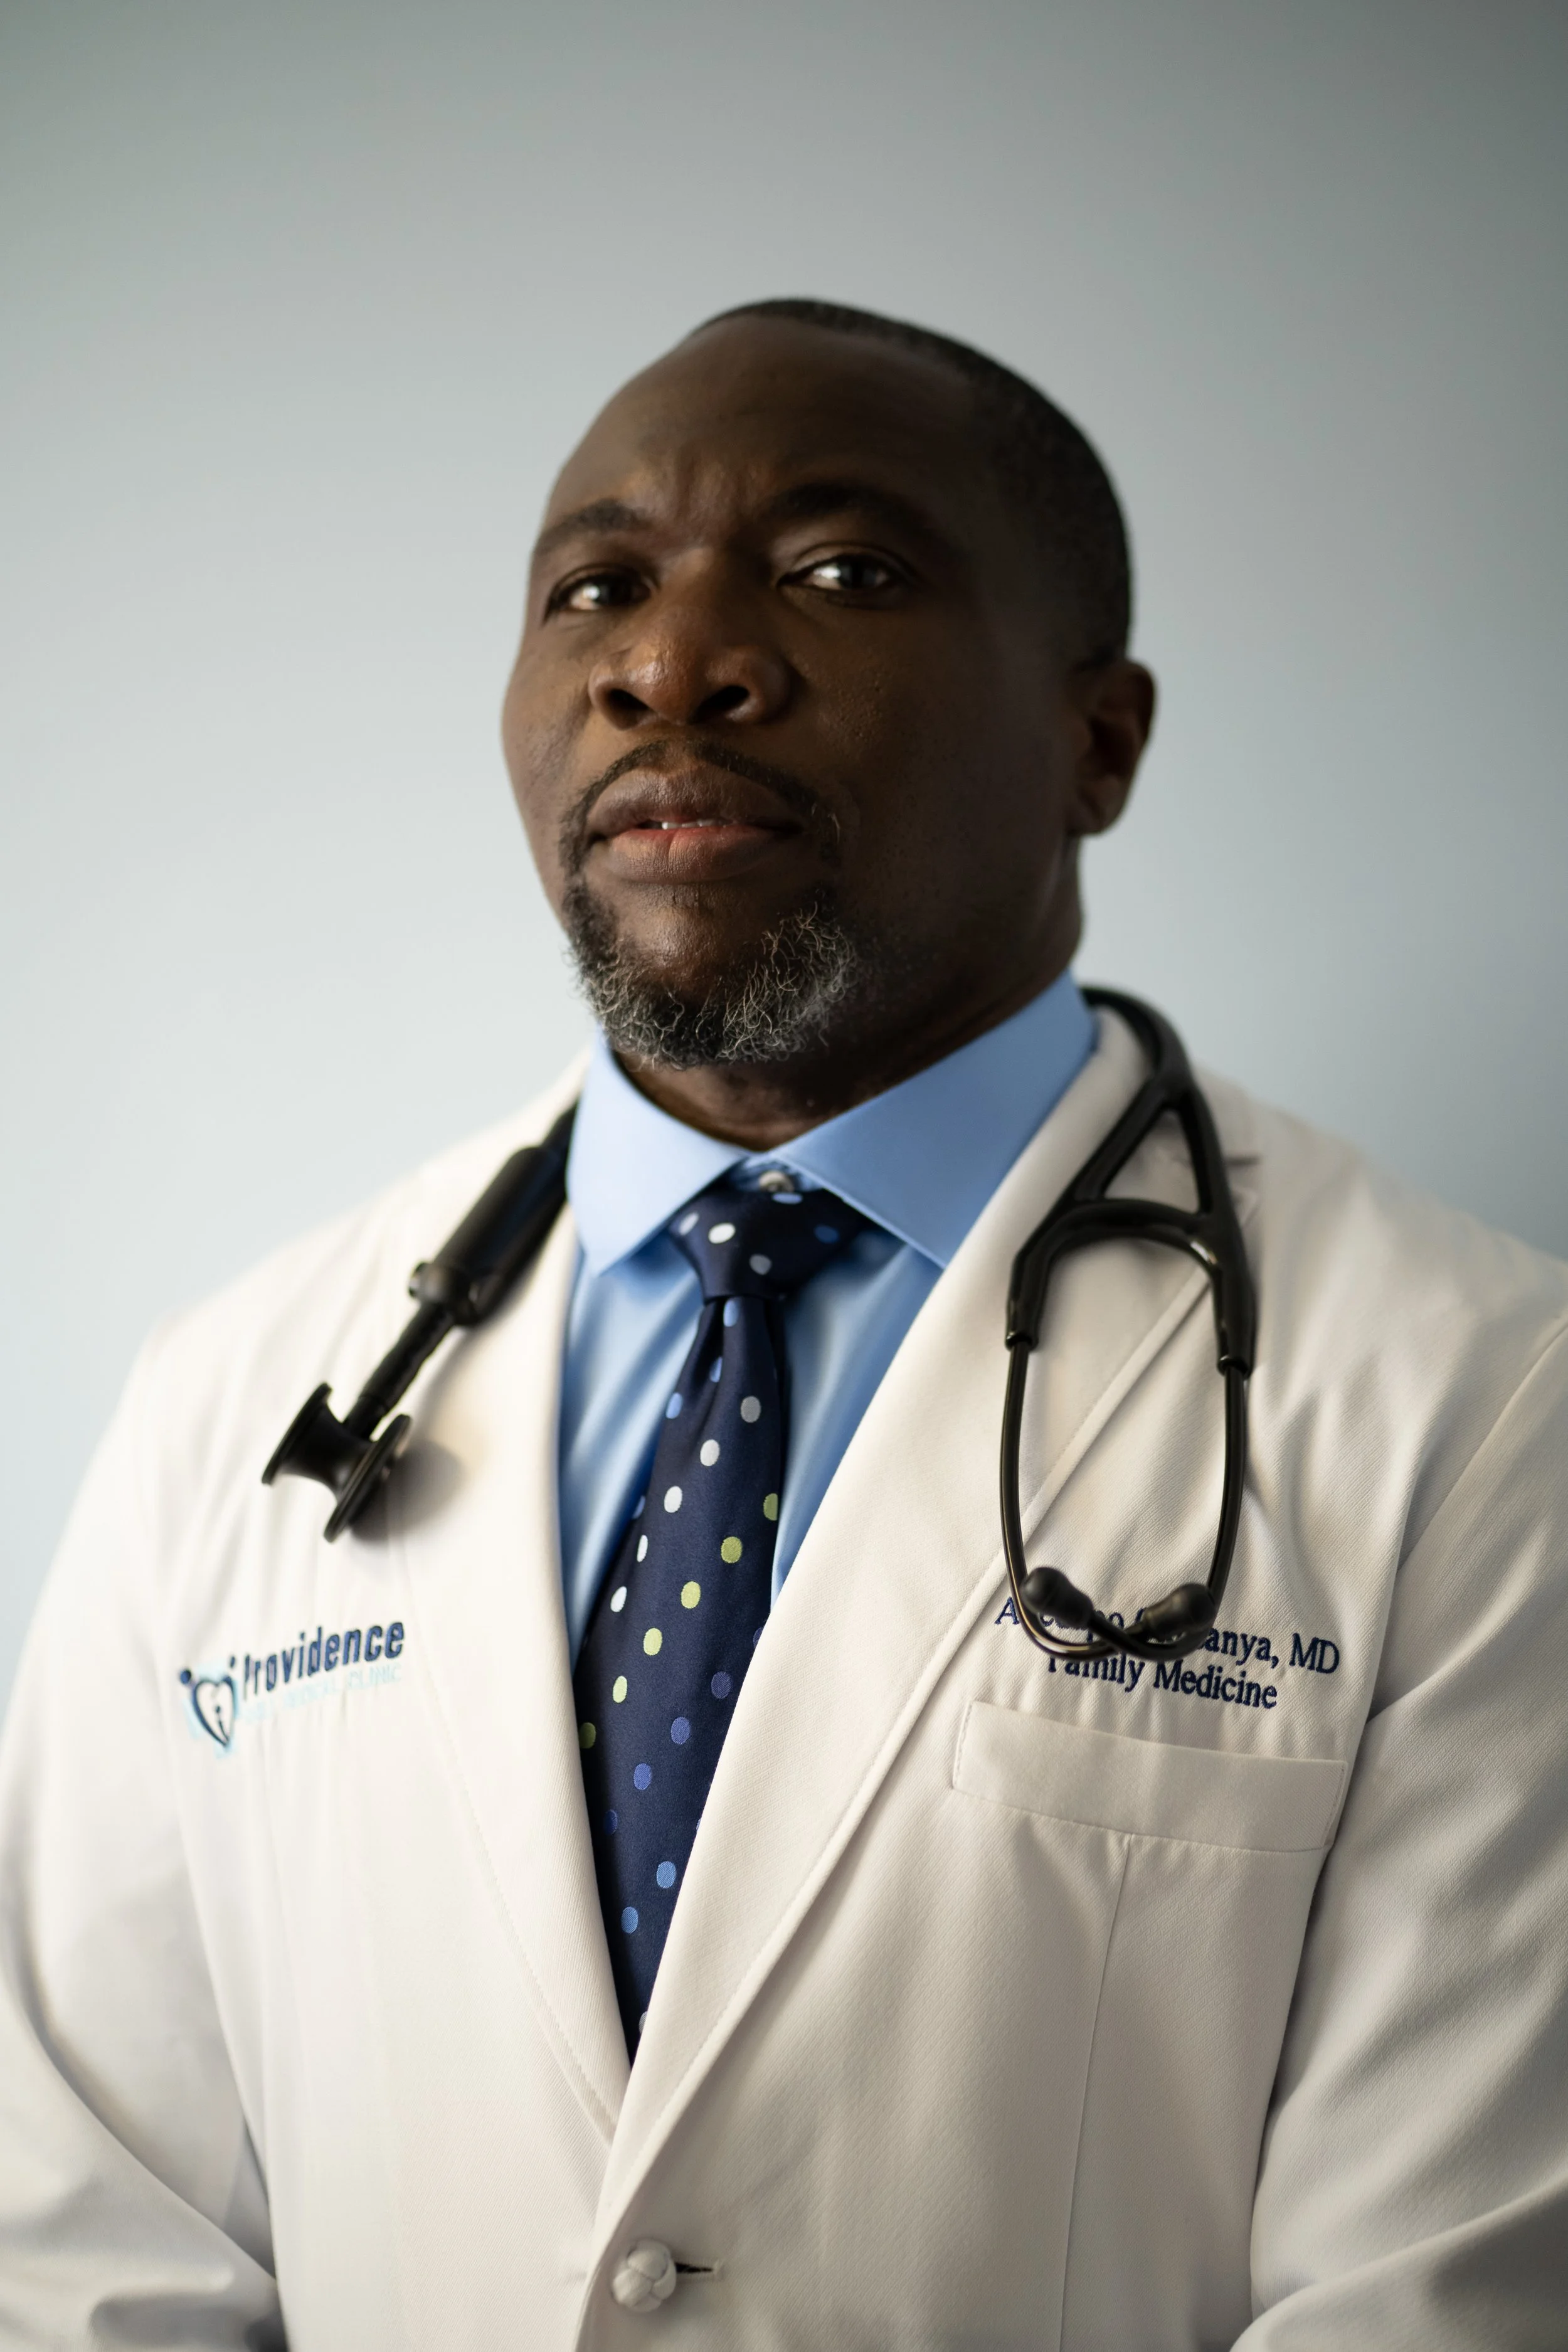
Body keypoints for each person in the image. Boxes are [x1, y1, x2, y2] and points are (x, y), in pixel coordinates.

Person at [3, 297, 1566, 2351]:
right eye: (595, 587)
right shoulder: (229, 1396)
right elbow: (85, 2246)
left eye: (841, 570)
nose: (669, 664)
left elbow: (1434, 2299)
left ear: (1096, 742)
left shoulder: (1476, 1398)